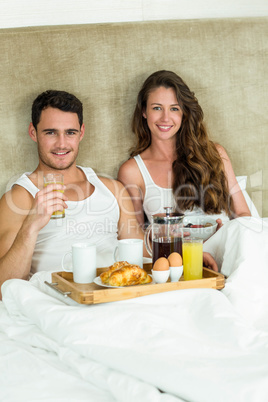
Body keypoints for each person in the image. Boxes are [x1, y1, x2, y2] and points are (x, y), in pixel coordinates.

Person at [0, 90, 149, 299]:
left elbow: (144, 255)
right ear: (33, 133)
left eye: (70, 132)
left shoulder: (112, 189)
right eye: (50, 132)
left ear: (81, 133)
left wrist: (185, 254)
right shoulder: (19, 198)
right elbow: (3, 286)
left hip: (119, 294)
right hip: (61, 301)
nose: (62, 143)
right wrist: (31, 226)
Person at [118, 70, 251, 229]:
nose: (165, 118)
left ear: (184, 113)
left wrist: (226, 232)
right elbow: (137, 237)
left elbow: (244, 215)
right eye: (157, 108)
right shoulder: (132, 171)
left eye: (174, 108)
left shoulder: (215, 154)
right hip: (178, 252)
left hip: (227, 244)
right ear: (144, 111)